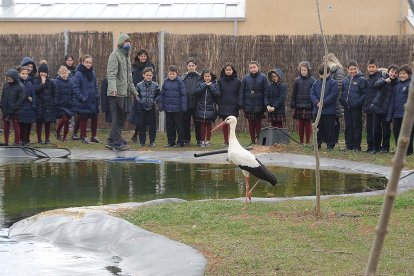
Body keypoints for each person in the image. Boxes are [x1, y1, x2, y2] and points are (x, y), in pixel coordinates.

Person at [107, 32, 139, 151]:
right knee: (117, 117)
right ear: (121, 43)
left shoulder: (126, 57)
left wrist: (134, 92)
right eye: (126, 41)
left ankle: (113, 138)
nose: (128, 44)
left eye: (129, 42)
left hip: (124, 92)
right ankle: (116, 143)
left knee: (122, 117)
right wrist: (113, 89)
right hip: (116, 92)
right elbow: (111, 74)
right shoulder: (115, 55)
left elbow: (129, 78)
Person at [72, 55, 100, 144]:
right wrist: (82, 97)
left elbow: (95, 86)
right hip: (83, 100)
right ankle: (83, 136)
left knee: (95, 117)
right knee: (83, 117)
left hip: (92, 100)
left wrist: (96, 96)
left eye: (90, 62)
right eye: (87, 62)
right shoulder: (79, 73)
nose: (88, 64)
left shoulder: (93, 73)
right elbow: (75, 87)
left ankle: (94, 136)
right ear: (83, 62)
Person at [340, 60, 367, 151]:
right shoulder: (345, 80)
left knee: (356, 126)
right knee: (348, 126)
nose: (353, 71)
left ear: (358, 68)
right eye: (351, 69)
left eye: (354, 69)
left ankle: (356, 146)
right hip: (347, 107)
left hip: (356, 108)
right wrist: (342, 101)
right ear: (347, 70)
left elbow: (364, 94)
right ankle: (349, 145)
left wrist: (358, 103)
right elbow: (343, 92)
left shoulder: (362, 80)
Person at [239, 61, 269, 144]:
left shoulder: (263, 77)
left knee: (258, 124)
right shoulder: (245, 78)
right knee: (251, 125)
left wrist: (265, 104)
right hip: (248, 105)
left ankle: (259, 140)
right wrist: (241, 103)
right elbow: (241, 92)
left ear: (258, 67)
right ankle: (252, 141)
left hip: (259, 105)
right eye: (251, 68)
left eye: (254, 67)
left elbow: (266, 91)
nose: (253, 69)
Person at [130, 49, 157, 142]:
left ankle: (138, 135)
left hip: (148, 93)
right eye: (141, 56)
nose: (143, 57)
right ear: (138, 57)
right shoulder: (134, 66)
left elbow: (154, 79)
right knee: (139, 114)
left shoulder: (150, 65)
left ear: (147, 56)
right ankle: (137, 134)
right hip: (137, 92)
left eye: (144, 56)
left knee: (146, 116)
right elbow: (131, 79)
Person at [310, 65, 339, 149]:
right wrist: (317, 102)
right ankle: (317, 143)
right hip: (317, 110)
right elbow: (312, 94)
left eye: (324, 74)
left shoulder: (333, 83)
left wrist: (323, 102)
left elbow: (333, 95)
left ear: (329, 73)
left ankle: (330, 144)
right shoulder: (316, 83)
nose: (323, 76)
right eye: (321, 74)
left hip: (329, 111)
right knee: (317, 128)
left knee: (329, 128)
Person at [371, 65, 399, 153]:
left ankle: (385, 148)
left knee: (386, 130)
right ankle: (376, 147)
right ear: (388, 72)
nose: (393, 74)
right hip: (377, 107)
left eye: (395, 72)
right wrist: (385, 81)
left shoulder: (397, 83)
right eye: (392, 71)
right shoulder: (382, 78)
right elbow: (376, 85)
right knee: (376, 129)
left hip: (387, 111)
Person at [159, 65, 187, 148]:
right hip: (168, 109)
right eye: (170, 74)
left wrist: (183, 107)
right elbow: (162, 95)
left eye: (173, 74)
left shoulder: (180, 82)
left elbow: (183, 95)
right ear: (168, 73)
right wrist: (161, 106)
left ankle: (180, 142)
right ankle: (171, 142)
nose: (171, 75)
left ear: (176, 74)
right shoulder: (165, 82)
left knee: (179, 126)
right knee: (169, 126)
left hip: (177, 109)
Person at [387, 64, 413, 155]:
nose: (402, 75)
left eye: (404, 73)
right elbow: (392, 102)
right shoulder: (396, 85)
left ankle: (408, 151)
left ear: (409, 74)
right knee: (396, 132)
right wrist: (389, 116)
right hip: (397, 114)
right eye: (400, 73)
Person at [290, 61, 316, 144]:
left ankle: (307, 141)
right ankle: (301, 141)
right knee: (300, 124)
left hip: (309, 105)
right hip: (299, 105)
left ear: (308, 70)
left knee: (308, 124)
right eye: (302, 70)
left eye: (305, 70)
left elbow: (315, 93)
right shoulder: (297, 81)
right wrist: (293, 103)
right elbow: (294, 93)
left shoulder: (313, 80)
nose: (303, 72)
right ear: (300, 71)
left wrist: (314, 104)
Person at [134, 67, 160, 147]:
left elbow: (159, 95)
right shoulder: (139, 85)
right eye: (147, 75)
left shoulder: (155, 85)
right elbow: (136, 95)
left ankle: (152, 141)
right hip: (142, 108)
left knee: (152, 126)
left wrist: (154, 101)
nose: (149, 76)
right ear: (143, 75)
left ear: (152, 76)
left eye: (150, 75)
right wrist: (140, 101)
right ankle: (142, 142)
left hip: (151, 107)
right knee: (142, 125)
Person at [194, 68, 220, 147]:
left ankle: (207, 141)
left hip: (211, 109)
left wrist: (211, 86)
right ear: (203, 77)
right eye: (205, 76)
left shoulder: (215, 84)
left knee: (209, 126)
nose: (207, 78)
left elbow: (217, 94)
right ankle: (202, 141)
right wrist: (204, 85)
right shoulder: (200, 83)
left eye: (209, 76)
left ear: (211, 77)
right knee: (202, 126)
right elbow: (196, 92)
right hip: (201, 108)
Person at [362, 59, 383, 153]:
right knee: (369, 128)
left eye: (373, 67)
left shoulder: (379, 78)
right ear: (367, 68)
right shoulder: (368, 79)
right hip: (368, 107)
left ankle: (376, 147)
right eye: (369, 67)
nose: (371, 69)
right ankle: (370, 146)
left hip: (376, 108)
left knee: (376, 128)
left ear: (376, 67)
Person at [33, 62, 57, 144]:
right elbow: (36, 90)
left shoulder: (51, 81)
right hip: (39, 105)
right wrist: (42, 83)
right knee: (39, 123)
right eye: (42, 72)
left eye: (45, 72)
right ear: (39, 72)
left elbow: (55, 92)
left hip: (48, 106)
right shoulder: (36, 80)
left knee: (47, 123)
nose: (43, 74)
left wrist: (53, 102)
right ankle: (39, 139)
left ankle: (47, 139)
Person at [217, 63, 241, 145]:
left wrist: (239, 104)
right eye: (226, 70)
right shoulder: (220, 81)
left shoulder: (238, 81)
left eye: (230, 70)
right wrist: (219, 102)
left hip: (234, 105)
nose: (228, 71)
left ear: (233, 71)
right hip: (223, 104)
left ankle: (232, 140)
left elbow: (239, 93)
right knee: (225, 124)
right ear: (224, 71)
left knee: (232, 125)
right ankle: (226, 141)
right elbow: (218, 93)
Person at [1, 69, 25, 146]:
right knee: (6, 126)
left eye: (10, 77)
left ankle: (17, 142)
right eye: (7, 78)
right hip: (6, 109)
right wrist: (2, 106)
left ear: (14, 77)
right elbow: (3, 96)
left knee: (16, 125)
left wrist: (14, 108)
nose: (8, 79)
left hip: (15, 110)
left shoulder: (20, 86)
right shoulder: (5, 84)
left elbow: (21, 99)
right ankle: (6, 142)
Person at [325, 53, 345, 144]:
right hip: (330, 98)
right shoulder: (330, 70)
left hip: (335, 98)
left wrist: (330, 93)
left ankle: (335, 139)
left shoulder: (338, 70)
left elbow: (339, 85)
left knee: (335, 119)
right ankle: (330, 138)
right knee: (331, 119)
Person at [182, 59, 201, 146]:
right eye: (189, 66)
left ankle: (199, 140)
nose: (191, 67)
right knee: (186, 122)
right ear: (187, 67)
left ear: (196, 66)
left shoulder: (200, 77)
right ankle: (186, 139)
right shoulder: (183, 77)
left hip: (196, 104)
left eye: (193, 65)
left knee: (198, 123)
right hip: (186, 103)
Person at [54, 65, 75, 142]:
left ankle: (65, 137)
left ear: (68, 73)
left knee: (67, 121)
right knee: (64, 119)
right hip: (60, 105)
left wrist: (72, 101)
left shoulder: (70, 82)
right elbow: (55, 93)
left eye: (65, 73)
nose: (64, 74)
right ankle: (57, 131)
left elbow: (73, 93)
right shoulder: (56, 82)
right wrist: (56, 102)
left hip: (69, 104)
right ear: (59, 73)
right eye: (62, 73)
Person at [17, 66, 36, 146]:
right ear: (19, 74)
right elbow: (17, 95)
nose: (24, 75)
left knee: (28, 124)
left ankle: (27, 139)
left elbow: (33, 94)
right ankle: (22, 140)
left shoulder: (29, 83)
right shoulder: (18, 83)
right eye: (23, 73)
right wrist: (26, 98)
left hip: (29, 108)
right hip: (21, 107)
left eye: (26, 74)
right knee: (22, 124)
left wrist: (33, 104)